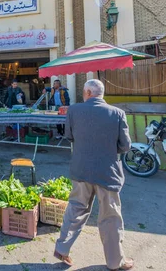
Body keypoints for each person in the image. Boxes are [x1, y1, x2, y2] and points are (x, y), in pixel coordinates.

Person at [53, 79, 134, 271]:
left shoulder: (73, 110)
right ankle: (115, 261)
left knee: (75, 210)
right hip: (107, 172)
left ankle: (62, 248)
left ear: (88, 92)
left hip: (81, 169)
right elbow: (125, 145)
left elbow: (69, 136)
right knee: (110, 217)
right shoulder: (117, 113)